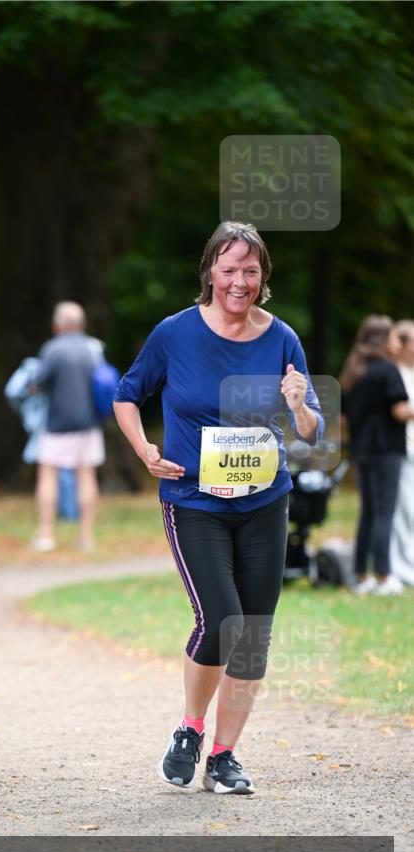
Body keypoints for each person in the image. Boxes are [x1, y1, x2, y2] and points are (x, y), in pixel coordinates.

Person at [114, 221, 324, 794]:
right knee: (223, 621)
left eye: (250, 271)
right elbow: (128, 395)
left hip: (265, 501)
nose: (239, 281)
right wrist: (144, 451)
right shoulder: (175, 333)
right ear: (210, 272)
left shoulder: (281, 338)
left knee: (253, 633)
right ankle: (189, 729)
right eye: (229, 269)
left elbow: (310, 430)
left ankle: (224, 757)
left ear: (263, 277)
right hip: (193, 500)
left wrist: (300, 405)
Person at [340, 315, 413, 596]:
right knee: (386, 512)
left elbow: (344, 418)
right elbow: (400, 410)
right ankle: (384, 576)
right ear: (383, 340)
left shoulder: (353, 372)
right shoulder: (388, 370)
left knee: (368, 512)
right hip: (387, 450)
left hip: (362, 451)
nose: (397, 343)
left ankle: (361, 575)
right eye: (395, 337)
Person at [31, 301, 105, 552]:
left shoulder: (52, 349)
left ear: (58, 324)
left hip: (56, 425)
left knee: (47, 475)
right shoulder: (93, 348)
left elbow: (35, 384)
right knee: (87, 476)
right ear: (81, 324)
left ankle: (46, 534)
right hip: (89, 424)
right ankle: (86, 538)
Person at [389, 320, 414, 586]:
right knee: (404, 510)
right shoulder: (395, 372)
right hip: (402, 450)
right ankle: (400, 565)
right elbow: (399, 410)